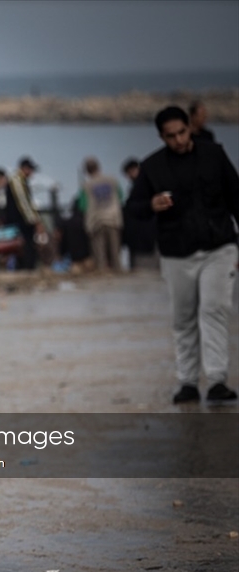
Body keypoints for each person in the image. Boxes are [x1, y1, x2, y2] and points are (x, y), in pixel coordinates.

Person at [126, 105, 239, 404]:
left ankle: (217, 381)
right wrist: (151, 205)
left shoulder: (214, 154)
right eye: (171, 136)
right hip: (177, 253)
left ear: (190, 128)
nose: (178, 140)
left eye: (182, 132)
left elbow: (236, 196)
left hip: (219, 247)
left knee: (214, 309)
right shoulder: (152, 167)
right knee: (184, 317)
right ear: (161, 137)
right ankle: (187, 382)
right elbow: (132, 208)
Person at [77, 157, 124, 272]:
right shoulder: (112, 180)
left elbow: (82, 206)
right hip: (113, 219)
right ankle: (118, 273)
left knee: (100, 255)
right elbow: (121, 197)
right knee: (115, 252)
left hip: (96, 222)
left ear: (87, 170)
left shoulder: (86, 185)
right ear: (98, 167)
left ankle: (103, 274)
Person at [6, 156, 45, 270]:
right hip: (20, 222)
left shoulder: (21, 181)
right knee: (26, 246)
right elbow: (24, 203)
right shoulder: (17, 181)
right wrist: (35, 221)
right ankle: (27, 268)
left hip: (21, 221)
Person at [121, 158, 158, 265]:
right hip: (139, 236)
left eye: (132, 171)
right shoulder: (134, 188)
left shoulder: (148, 185)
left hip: (148, 234)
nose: (130, 175)